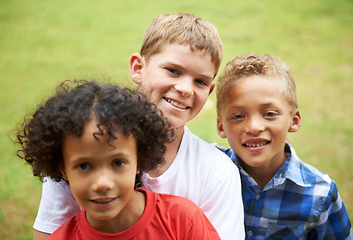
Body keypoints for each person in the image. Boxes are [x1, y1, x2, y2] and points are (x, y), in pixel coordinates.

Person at [31, 13, 245, 240]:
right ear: (137, 68)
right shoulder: (81, 145)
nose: (185, 89)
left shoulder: (216, 171)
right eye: (173, 70)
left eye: (200, 81)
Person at [16, 80, 221, 239]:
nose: (103, 183)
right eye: (84, 166)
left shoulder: (182, 221)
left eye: (118, 163)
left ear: (139, 161)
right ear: (63, 170)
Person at [215, 53, 352, 239]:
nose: (254, 127)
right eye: (238, 116)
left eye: (269, 114)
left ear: (293, 121)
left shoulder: (320, 195)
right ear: (221, 126)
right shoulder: (206, 170)